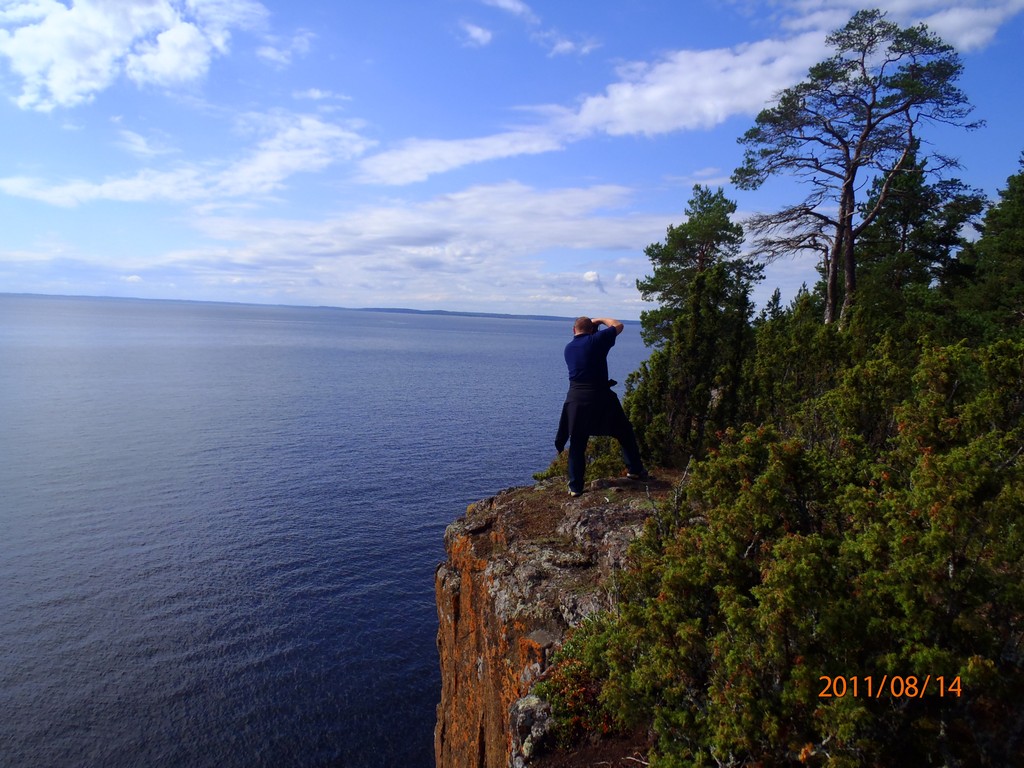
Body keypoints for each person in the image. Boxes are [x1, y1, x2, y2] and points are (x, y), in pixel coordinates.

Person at [555, 316, 647, 497]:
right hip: (599, 396)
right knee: (624, 431)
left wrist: (591, 327)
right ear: (591, 330)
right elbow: (618, 325)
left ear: (574, 331)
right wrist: (600, 320)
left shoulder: (568, 348)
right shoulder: (596, 340)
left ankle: (575, 487)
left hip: (576, 399)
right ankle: (634, 469)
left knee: (578, 442)